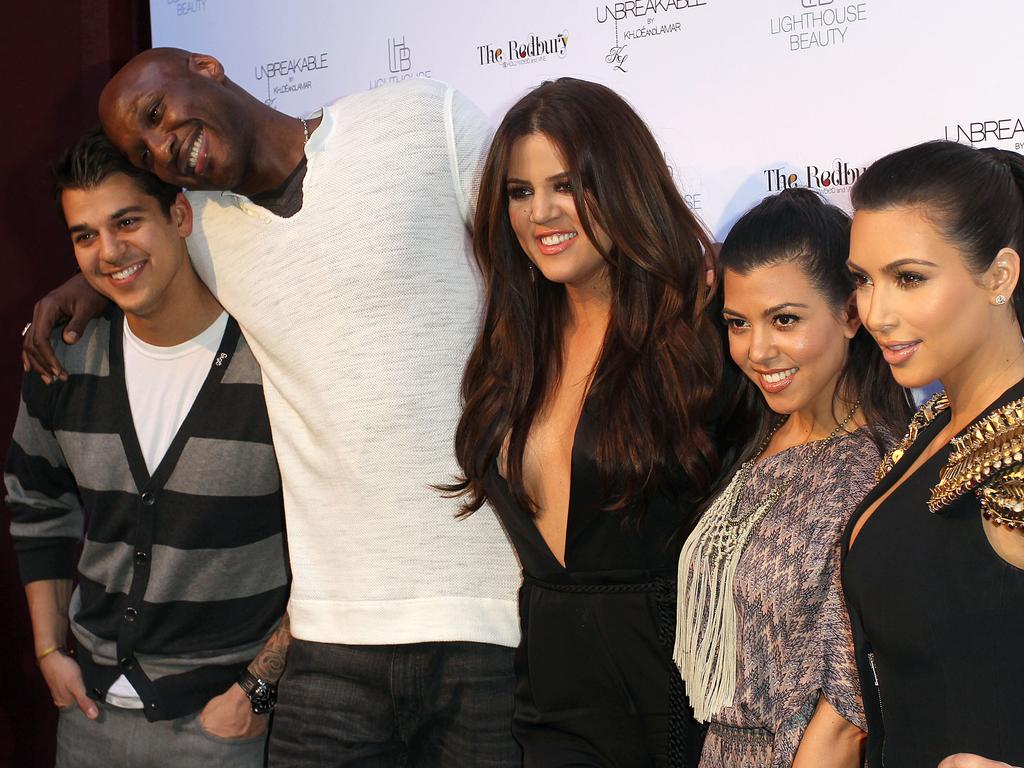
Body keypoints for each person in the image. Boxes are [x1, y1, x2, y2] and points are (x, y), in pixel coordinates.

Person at [21, 49, 522, 766]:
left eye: (156, 115)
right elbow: (132, 252)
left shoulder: (419, 120)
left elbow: (543, 268)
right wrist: (79, 287)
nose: (164, 146)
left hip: (489, 613)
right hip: (329, 644)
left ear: (207, 66)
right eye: (146, 151)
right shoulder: (210, 229)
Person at [446, 77, 727, 767]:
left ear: (622, 184)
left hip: (675, 700)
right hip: (546, 701)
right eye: (519, 190)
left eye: (566, 184)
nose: (541, 211)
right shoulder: (512, 349)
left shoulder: (699, 332)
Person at [5, 130, 290, 767]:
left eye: (127, 221)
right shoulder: (64, 359)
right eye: (85, 235)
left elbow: (334, 537)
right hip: (87, 717)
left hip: (226, 726)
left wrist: (258, 687)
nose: (109, 252)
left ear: (180, 215)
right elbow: (36, 506)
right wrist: (50, 651)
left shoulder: (272, 362)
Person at [673, 188, 911, 768]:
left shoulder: (873, 472)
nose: (758, 350)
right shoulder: (757, 437)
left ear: (851, 312)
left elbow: (850, 709)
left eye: (785, 320)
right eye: (738, 323)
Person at [842, 140, 1024, 768]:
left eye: (909, 278)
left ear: (999, 277)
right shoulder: (939, 420)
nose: (876, 312)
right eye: (863, 280)